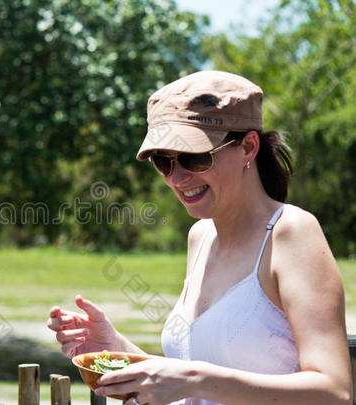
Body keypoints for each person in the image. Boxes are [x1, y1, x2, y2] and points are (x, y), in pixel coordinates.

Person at [46, 71, 352, 404]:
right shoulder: (201, 235)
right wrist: (113, 347)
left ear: (248, 146)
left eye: (194, 157)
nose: (176, 177)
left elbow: (334, 392)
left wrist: (195, 379)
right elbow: (193, 382)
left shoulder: (290, 233)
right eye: (163, 161)